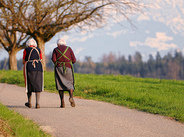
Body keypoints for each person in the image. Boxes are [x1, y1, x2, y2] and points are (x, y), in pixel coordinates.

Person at [52, 38, 76, 108]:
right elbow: (74, 60)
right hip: (68, 68)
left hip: (59, 68)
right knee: (70, 83)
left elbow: (54, 59)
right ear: (65, 43)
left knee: (60, 84)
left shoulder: (55, 49)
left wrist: (57, 64)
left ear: (58, 44)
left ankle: (62, 103)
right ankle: (71, 97)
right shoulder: (69, 48)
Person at [23, 38, 43, 109]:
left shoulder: (26, 50)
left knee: (29, 84)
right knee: (38, 84)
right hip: (38, 67)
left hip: (29, 67)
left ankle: (29, 102)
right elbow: (41, 58)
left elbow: (24, 59)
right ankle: (37, 103)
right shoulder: (39, 49)